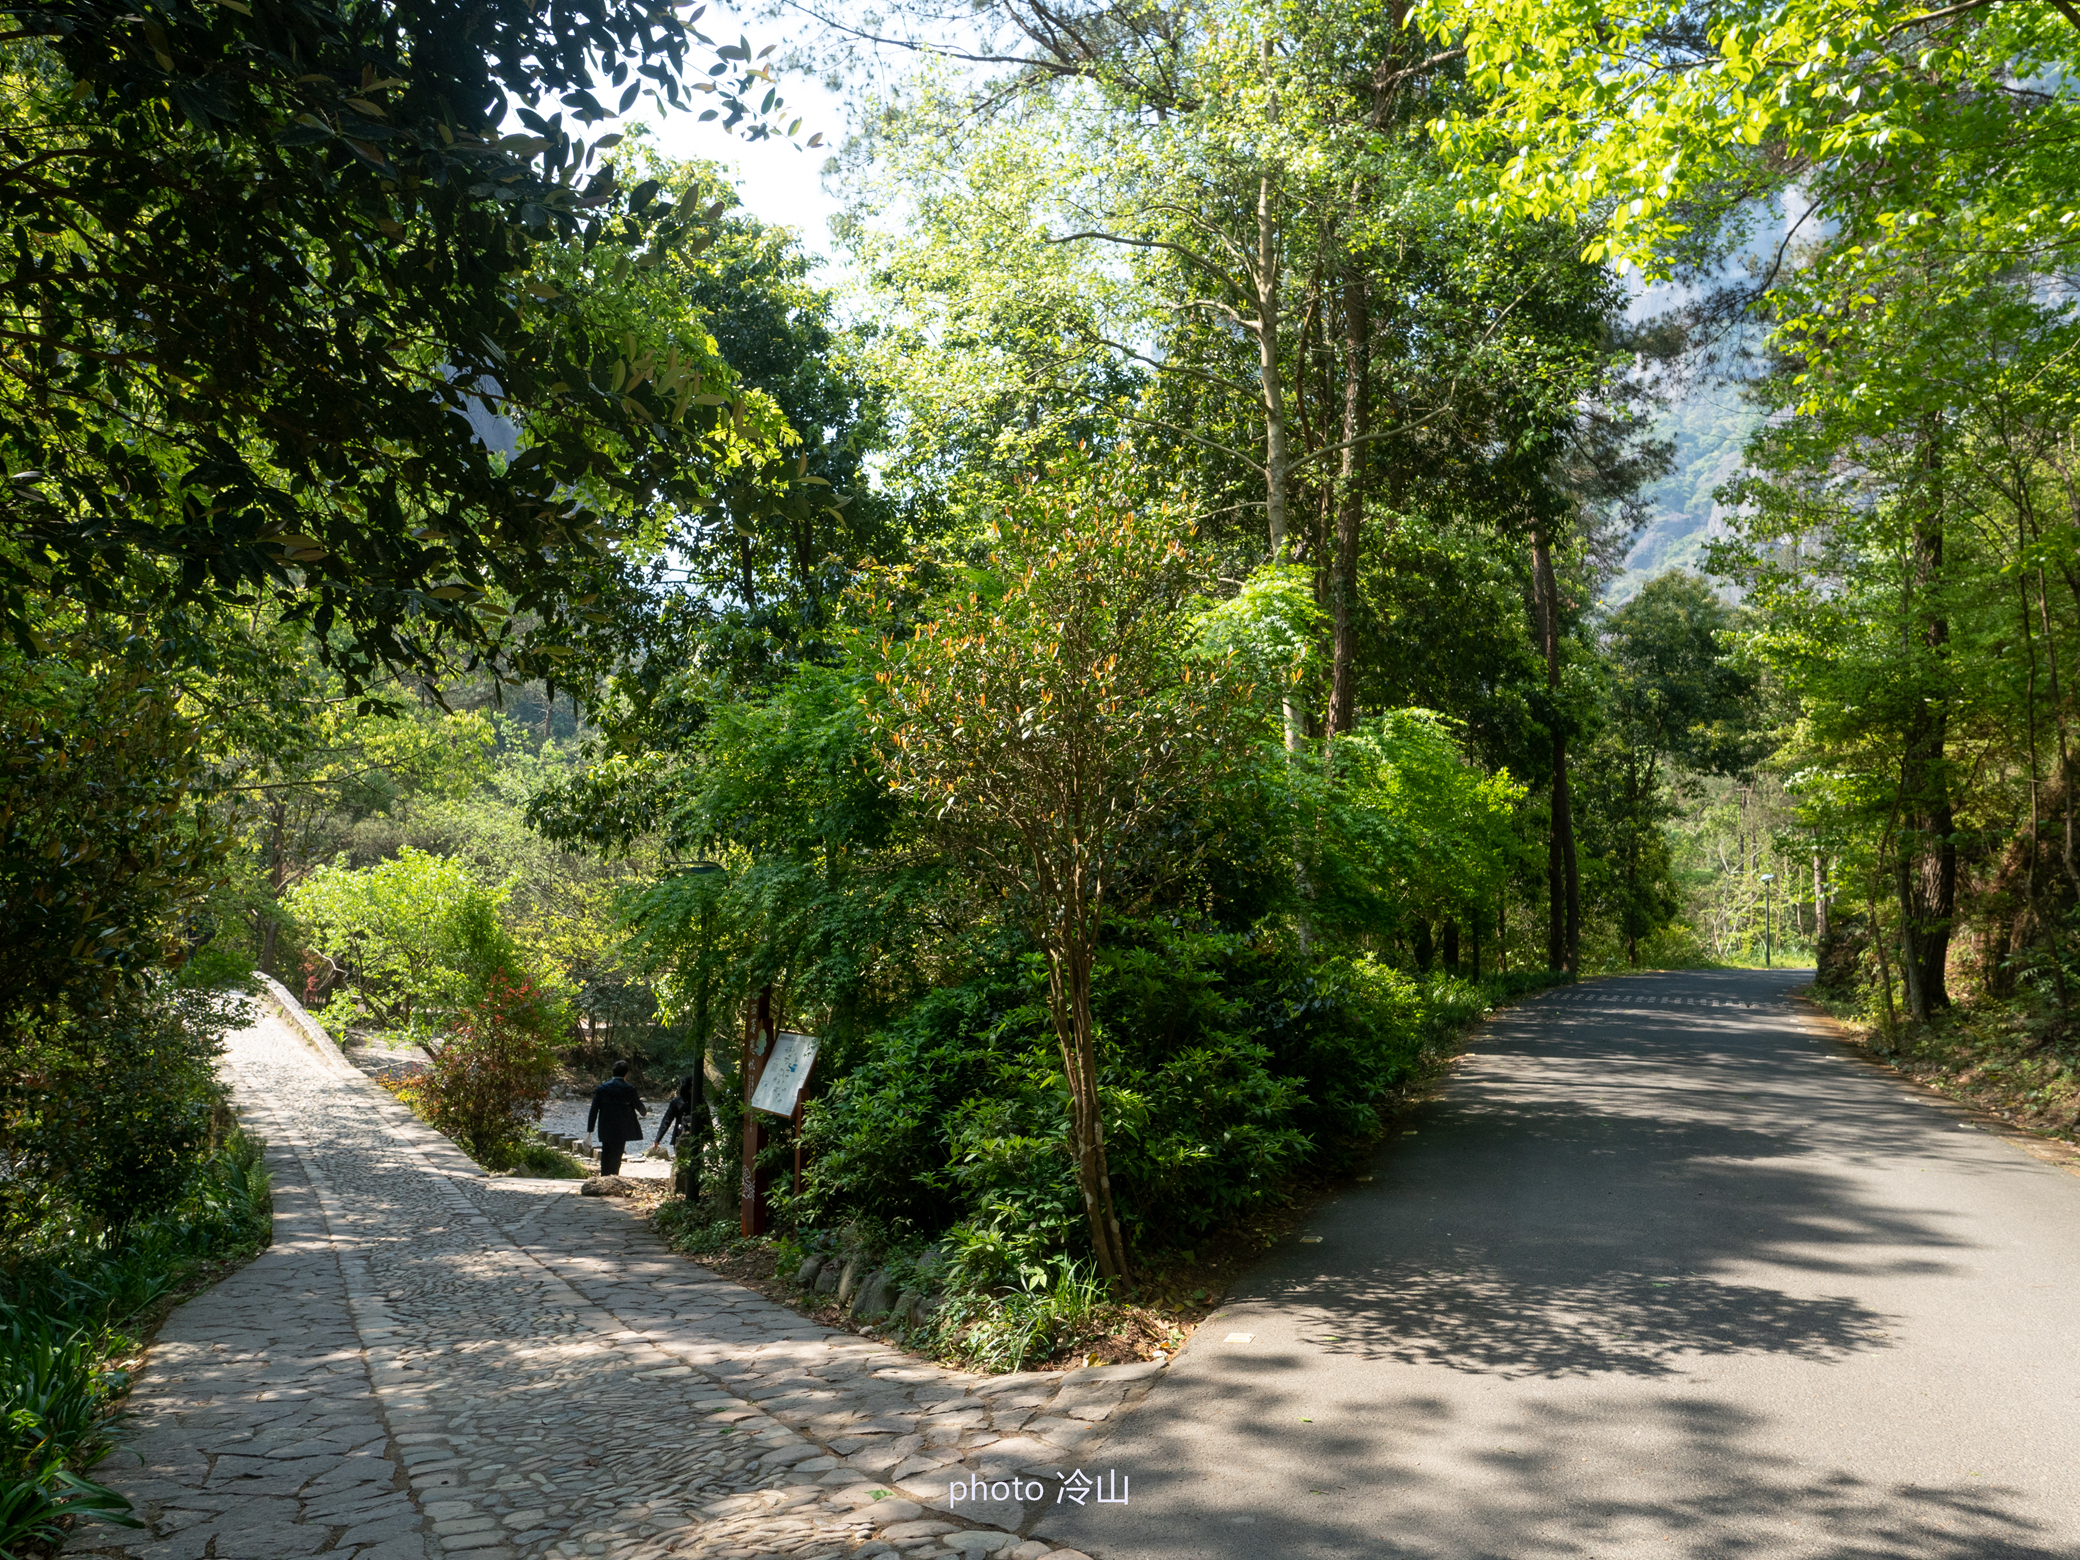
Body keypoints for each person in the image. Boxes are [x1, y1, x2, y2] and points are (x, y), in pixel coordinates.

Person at [585, 1060, 647, 1176]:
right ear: (626, 1074)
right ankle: (613, 1177)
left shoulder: (602, 1088)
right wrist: (644, 1111)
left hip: (605, 1127)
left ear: (612, 1072)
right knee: (617, 1155)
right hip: (621, 1129)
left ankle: (604, 1176)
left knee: (606, 1153)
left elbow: (593, 1110)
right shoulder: (629, 1089)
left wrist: (590, 1130)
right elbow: (639, 1108)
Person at [653, 1074, 703, 1152]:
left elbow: (666, 1120)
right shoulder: (699, 1100)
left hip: (692, 1134)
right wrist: (658, 1139)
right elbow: (667, 1120)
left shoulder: (678, 1101)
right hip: (683, 1134)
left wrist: (657, 1139)